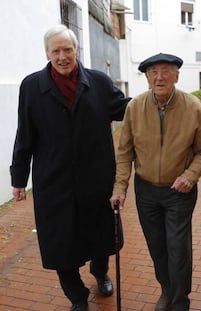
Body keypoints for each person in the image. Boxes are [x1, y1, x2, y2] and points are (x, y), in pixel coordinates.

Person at [10, 24, 130, 311]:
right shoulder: (31, 86)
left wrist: (157, 99)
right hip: (54, 182)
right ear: (47, 53)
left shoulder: (99, 82)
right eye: (56, 50)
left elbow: (127, 109)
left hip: (97, 178)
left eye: (68, 49)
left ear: (77, 50)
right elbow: (24, 134)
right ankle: (77, 297)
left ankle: (100, 274)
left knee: (102, 237)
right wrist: (18, 178)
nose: (62, 56)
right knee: (59, 243)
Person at [110, 53, 201, 311]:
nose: (159, 77)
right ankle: (166, 289)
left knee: (178, 249)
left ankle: (180, 301)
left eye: (166, 71)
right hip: (146, 192)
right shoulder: (135, 108)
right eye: (154, 72)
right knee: (157, 247)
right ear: (146, 77)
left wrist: (190, 176)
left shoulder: (192, 107)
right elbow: (124, 152)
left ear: (177, 76)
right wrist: (120, 187)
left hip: (179, 191)